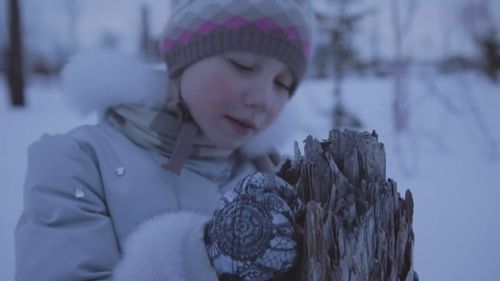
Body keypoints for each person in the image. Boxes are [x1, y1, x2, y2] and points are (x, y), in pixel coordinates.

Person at [15, 0, 315, 280]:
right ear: (184, 58)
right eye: (243, 64)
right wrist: (197, 259)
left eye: (282, 83)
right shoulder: (80, 161)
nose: (263, 99)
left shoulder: (279, 176)